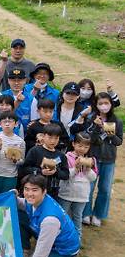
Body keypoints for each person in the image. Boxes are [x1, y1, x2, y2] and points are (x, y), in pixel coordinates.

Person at [17, 174, 80, 257]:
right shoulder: (35, 200)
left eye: (34, 190)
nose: (30, 194)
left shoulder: (50, 220)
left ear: (44, 191)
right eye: (26, 189)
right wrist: (12, 197)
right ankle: (25, 251)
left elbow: (42, 248)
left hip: (63, 249)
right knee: (19, 214)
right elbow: (22, 204)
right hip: (49, 237)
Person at [73, 92, 122, 226]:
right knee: (88, 186)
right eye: (100, 103)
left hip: (109, 159)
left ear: (111, 105)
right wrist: (95, 127)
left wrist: (107, 130)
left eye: (106, 103)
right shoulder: (91, 118)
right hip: (92, 158)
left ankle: (99, 214)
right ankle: (86, 213)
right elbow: (89, 140)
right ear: (96, 105)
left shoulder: (116, 121)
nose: (103, 106)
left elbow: (118, 142)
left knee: (105, 189)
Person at [57, 133, 97, 236]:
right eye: (80, 145)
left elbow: (93, 178)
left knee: (77, 216)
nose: (82, 149)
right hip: (66, 194)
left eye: (86, 147)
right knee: (63, 216)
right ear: (73, 144)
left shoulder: (91, 160)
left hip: (81, 196)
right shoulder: (66, 157)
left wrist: (88, 169)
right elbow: (65, 175)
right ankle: (61, 237)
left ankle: (76, 238)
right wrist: (75, 169)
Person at [20, 123, 69, 200]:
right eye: (50, 137)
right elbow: (24, 169)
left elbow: (66, 175)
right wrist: (40, 172)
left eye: (56, 138)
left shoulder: (61, 155)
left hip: (53, 192)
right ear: (43, 136)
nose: (53, 141)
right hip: (34, 190)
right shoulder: (35, 150)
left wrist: (55, 172)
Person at [0, 111, 26, 195]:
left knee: (6, 200)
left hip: (10, 175)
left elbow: (22, 161)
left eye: (10, 121)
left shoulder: (20, 141)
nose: (7, 124)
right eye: (4, 121)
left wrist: (15, 160)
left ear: (16, 124)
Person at [0, 67, 34, 132]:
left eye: (19, 80)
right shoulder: (1, 95)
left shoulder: (32, 99)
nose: (16, 83)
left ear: (25, 80)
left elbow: (34, 120)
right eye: (13, 80)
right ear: (8, 81)